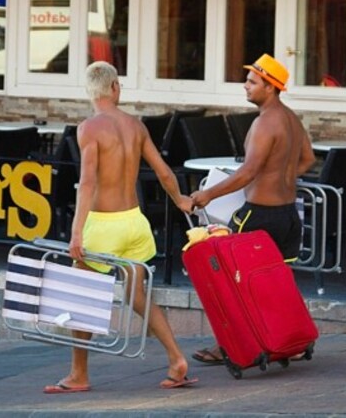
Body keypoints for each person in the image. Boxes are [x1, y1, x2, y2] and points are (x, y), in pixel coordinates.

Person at [44, 61, 197, 394]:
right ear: (115, 88)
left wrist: (76, 230)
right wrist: (181, 199)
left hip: (103, 224)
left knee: (81, 297)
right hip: (134, 221)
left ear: (91, 91)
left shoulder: (89, 128)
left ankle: (79, 375)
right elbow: (164, 172)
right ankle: (176, 359)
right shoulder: (136, 126)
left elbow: (86, 183)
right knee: (138, 295)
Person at [189, 53, 316, 365]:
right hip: (288, 215)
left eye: (252, 82)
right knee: (280, 286)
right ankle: (294, 342)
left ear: (270, 88)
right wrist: (281, 176)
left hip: (258, 216)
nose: (245, 86)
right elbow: (309, 160)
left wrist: (208, 194)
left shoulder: (264, 123)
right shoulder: (291, 119)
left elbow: (247, 172)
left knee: (234, 285)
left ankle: (231, 346)